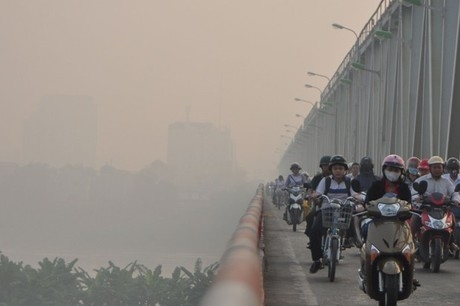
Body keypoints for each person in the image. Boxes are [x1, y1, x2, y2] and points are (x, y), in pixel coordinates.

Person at [308, 155, 359, 273]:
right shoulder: (325, 181)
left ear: (345, 170)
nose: (338, 171)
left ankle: (349, 240)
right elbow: (318, 192)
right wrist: (315, 196)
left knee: (355, 222)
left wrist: (359, 197)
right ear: (331, 169)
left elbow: (354, 194)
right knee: (314, 231)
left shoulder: (349, 182)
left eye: (341, 168)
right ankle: (317, 260)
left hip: (343, 211)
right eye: (335, 168)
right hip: (327, 210)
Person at [410, 156, 460, 239]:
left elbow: (454, 192)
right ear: (430, 168)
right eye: (435, 167)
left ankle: (452, 241)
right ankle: (411, 240)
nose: (437, 169)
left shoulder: (447, 181)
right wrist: (417, 198)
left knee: (453, 218)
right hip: (425, 209)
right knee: (415, 218)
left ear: (443, 168)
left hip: (443, 210)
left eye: (439, 167)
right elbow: (414, 193)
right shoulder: (421, 180)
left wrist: (456, 200)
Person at [304, 155, 331, 238]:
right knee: (310, 215)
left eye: (328, 166)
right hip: (319, 202)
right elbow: (310, 189)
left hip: (333, 203)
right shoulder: (317, 178)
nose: (326, 168)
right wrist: (310, 196)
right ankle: (310, 235)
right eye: (324, 166)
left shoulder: (335, 178)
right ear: (321, 167)